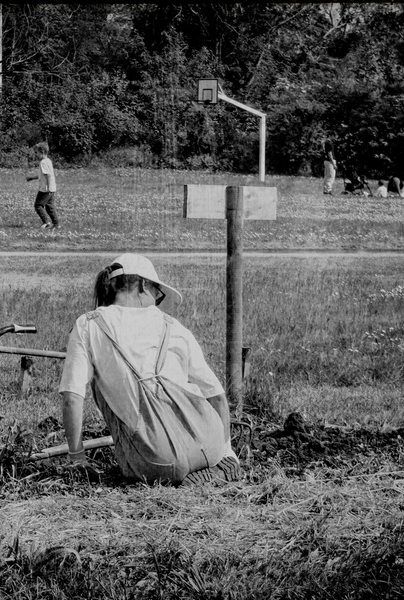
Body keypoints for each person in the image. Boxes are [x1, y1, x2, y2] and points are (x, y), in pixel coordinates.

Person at [57, 253, 241, 484]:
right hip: (211, 443)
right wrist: (226, 452)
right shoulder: (173, 326)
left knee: (97, 381)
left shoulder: (90, 324)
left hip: (157, 459)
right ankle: (208, 470)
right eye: (158, 292)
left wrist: (77, 458)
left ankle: (176, 473)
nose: (157, 298)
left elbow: (72, 398)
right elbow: (217, 396)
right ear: (144, 285)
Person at [26, 141, 58, 229]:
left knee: (38, 205)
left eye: (36, 152)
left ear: (42, 152)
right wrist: (32, 178)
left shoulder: (43, 162)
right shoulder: (48, 161)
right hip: (52, 188)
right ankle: (56, 224)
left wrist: (47, 187)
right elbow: (42, 175)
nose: (35, 154)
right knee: (49, 207)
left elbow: (48, 175)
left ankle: (47, 222)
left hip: (45, 189)